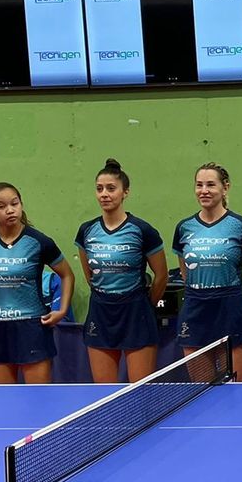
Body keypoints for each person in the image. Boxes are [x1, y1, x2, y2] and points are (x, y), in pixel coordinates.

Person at [0, 181, 76, 385]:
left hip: (32, 327)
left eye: (15, 203)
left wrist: (62, 310)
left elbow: (67, 275)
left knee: (39, 401)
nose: (10, 210)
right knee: (3, 401)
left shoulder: (39, 241)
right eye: (1, 206)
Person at [75, 159, 167, 384]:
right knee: (104, 395)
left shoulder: (143, 230)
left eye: (111, 188)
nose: (104, 194)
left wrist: (145, 303)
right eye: (99, 189)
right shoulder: (87, 230)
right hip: (101, 311)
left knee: (140, 393)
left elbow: (161, 275)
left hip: (136, 312)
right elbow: (90, 275)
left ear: (125, 192)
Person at [173, 162, 242, 382]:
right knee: (201, 391)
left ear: (225, 188)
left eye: (211, 185)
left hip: (231, 310)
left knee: (235, 390)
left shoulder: (241, 225)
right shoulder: (184, 227)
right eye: (199, 185)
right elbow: (185, 272)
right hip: (195, 310)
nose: (204, 190)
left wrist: (239, 305)